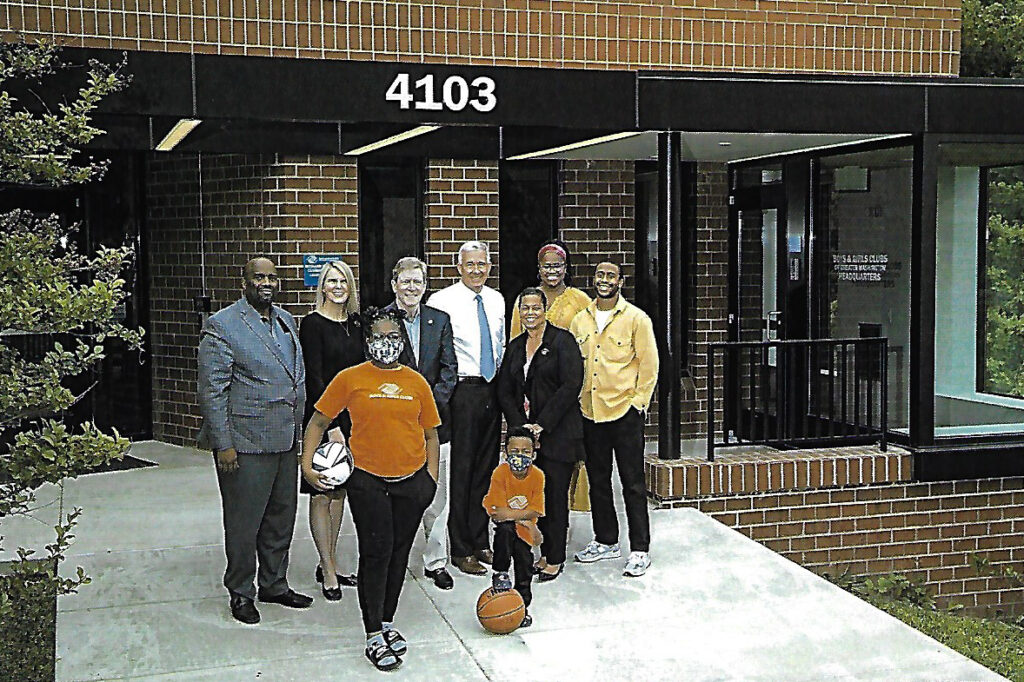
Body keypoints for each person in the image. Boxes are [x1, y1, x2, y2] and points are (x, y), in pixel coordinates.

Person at [301, 306, 440, 673]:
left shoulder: (416, 382)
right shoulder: (350, 378)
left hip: (411, 482)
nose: (385, 344)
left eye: (392, 337)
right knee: (376, 552)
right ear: (367, 342)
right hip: (367, 480)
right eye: (378, 337)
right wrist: (307, 462)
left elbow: (431, 433)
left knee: (399, 554)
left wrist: (431, 479)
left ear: (402, 341)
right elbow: (318, 421)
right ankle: (372, 632)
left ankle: (388, 620)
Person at [197, 257, 313, 625]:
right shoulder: (222, 325)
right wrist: (223, 444)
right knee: (244, 524)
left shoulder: (286, 320)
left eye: (272, 277)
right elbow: (212, 390)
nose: (266, 282)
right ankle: (241, 592)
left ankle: (274, 584)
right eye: (258, 277)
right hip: (244, 445)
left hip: (284, 440)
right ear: (243, 281)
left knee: (281, 519)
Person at [569, 261, 659, 577]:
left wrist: (638, 404)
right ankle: (606, 540)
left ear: (621, 281)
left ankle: (640, 549)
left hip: (624, 413)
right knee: (597, 481)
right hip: (590, 412)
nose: (604, 280)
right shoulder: (580, 321)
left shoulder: (637, 319)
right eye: (600, 275)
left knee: (633, 484)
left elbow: (650, 365)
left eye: (611, 276)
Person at [426, 241, 506, 576]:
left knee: (486, 469)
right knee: (460, 471)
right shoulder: (442, 301)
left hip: (492, 389)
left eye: (482, 264)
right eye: (470, 264)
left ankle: (479, 539)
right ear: (458, 267)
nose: (476, 270)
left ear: (489, 266)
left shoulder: (497, 299)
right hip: (462, 391)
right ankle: (459, 547)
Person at [497, 287, 583, 582]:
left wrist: (541, 424)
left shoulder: (563, 341)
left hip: (559, 433)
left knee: (555, 495)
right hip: (526, 438)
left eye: (535, 308)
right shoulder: (516, 345)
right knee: (533, 494)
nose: (530, 313)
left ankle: (555, 556)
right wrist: (521, 427)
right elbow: (505, 389)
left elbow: (571, 385)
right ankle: (541, 549)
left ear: (545, 310)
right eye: (525, 308)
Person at [385, 256, 458, 590]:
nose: (411, 288)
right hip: (396, 427)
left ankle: (436, 561)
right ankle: (392, 559)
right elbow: (380, 370)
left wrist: (427, 408)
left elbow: (449, 371)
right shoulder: (382, 320)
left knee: (437, 497)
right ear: (394, 284)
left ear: (425, 286)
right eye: (406, 281)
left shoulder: (439, 320)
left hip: (435, 426)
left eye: (418, 282)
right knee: (395, 496)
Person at [509, 239, 594, 519]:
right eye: (546, 266)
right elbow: (515, 348)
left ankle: (557, 533)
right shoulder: (526, 300)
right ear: (538, 269)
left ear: (566, 268)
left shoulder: (580, 301)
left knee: (564, 468)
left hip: (567, 395)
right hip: (533, 394)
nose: (552, 271)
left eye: (558, 266)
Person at [298, 259, 362, 601]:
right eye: (332, 281)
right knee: (322, 491)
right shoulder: (312, 325)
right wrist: (333, 425)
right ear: (322, 286)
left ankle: (331, 562)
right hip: (323, 419)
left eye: (344, 281)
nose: (338, 286)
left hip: (355, 420)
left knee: (341, 493)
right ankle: (328, 568)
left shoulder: (355, 325)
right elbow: (315, 378)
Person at [483, 426, 545, 628]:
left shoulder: (538, 476)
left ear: (534, 454)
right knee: (505, 530)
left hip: (525, 536)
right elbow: (498, 513)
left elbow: (536, 510)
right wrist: (525, 520)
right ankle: (500, 571)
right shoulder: (500, 473)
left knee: (524, 569)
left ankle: (522, 608)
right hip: (509, 530)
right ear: (506, 453)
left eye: (526, 452)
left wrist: (521, 520)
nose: (520, 456)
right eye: (515, 452)